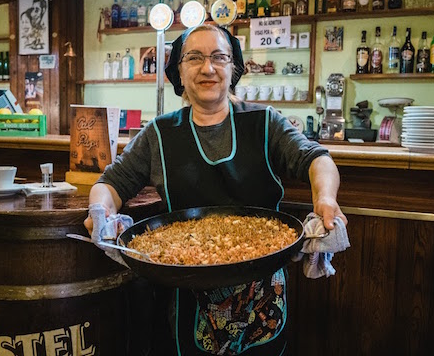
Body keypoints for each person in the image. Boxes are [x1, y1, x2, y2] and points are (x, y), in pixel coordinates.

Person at [84, 24, 347, 356]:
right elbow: (111, 183)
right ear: (178, 70)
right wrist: (101, 211)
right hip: (187, 294)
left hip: (263, 291)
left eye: (219, 57)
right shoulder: (159, 134)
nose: (207, 67)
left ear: (232, 68)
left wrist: (325, 198)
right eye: (194, 58)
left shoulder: (264, 122)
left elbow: (316, 158)